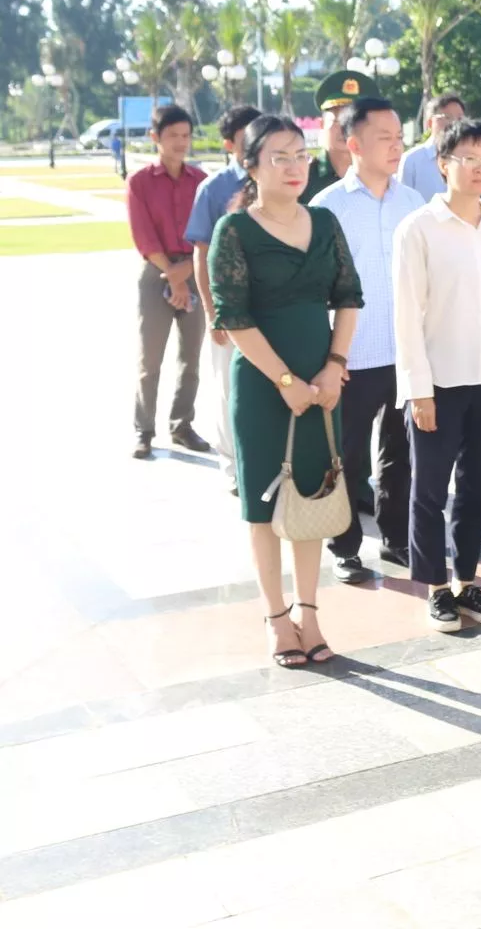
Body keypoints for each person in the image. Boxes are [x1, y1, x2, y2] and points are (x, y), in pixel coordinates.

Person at [209, 115, 362, 668]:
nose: (295, 165)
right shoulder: (235, 231)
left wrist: (333, 368)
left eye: (301, 154)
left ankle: (311, 612)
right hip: (262, 386)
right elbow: (233, 317)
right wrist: (286, 382)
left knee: (313, 494)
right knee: (264, 505)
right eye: (279, 156)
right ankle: (276, 618)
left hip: (322, 383)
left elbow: (349, 297)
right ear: (250, 165)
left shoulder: (323, 222)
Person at [394, 119, 481, 633]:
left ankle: (467, 581)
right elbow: (407, 316)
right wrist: (418, 390)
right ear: (442, 164)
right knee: (429, 490)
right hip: (440, 383)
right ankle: (435, 589)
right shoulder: (418, 229)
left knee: (478, 487)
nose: (480, 168)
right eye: (468, 158)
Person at [309, 96, 424, 583]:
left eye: (400, 138)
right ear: (353, 144)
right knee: (346, 457)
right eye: (385, 139)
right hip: (352, 357)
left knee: (401, 457)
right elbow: (315, 290)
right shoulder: (326, 207)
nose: (396, 147)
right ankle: (345, 544)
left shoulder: (414, 204)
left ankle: (397, 539)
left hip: (405, 355)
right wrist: (330, 357)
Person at [186, 104, 262, 489]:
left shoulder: (276, 179)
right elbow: (200, 253)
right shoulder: (213, 189)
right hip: (230, 307)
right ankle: (233, 465)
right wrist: (213, 311)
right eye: (247, 137)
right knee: (228, 385)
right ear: (230, 143)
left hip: (269, 305)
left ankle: (265, 459)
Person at [127, 103, 209, 459]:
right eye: (173, 135)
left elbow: (209, 232)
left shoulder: (201, 181)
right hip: (156, 272)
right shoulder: (140, 182)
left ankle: (182, 425)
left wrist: (186, 273)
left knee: (191, 357)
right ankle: (144, 430)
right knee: (151, 359)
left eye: (186, 135)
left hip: (194, 270)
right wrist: (173, 277)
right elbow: (143, 236)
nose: (181, 142)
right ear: (155, 137)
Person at [300, 70, 379, 204]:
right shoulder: (303, 176)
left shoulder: (380, 177)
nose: (345, 129)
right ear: (322, 124)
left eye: (354, 121)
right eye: (338, 120)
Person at [398, 93, 465, 199]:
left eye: (460, 119)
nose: (455, 124)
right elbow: (401, 201)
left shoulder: (467, 158)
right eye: (447, 117)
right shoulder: (412, 160)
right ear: (430, 123)